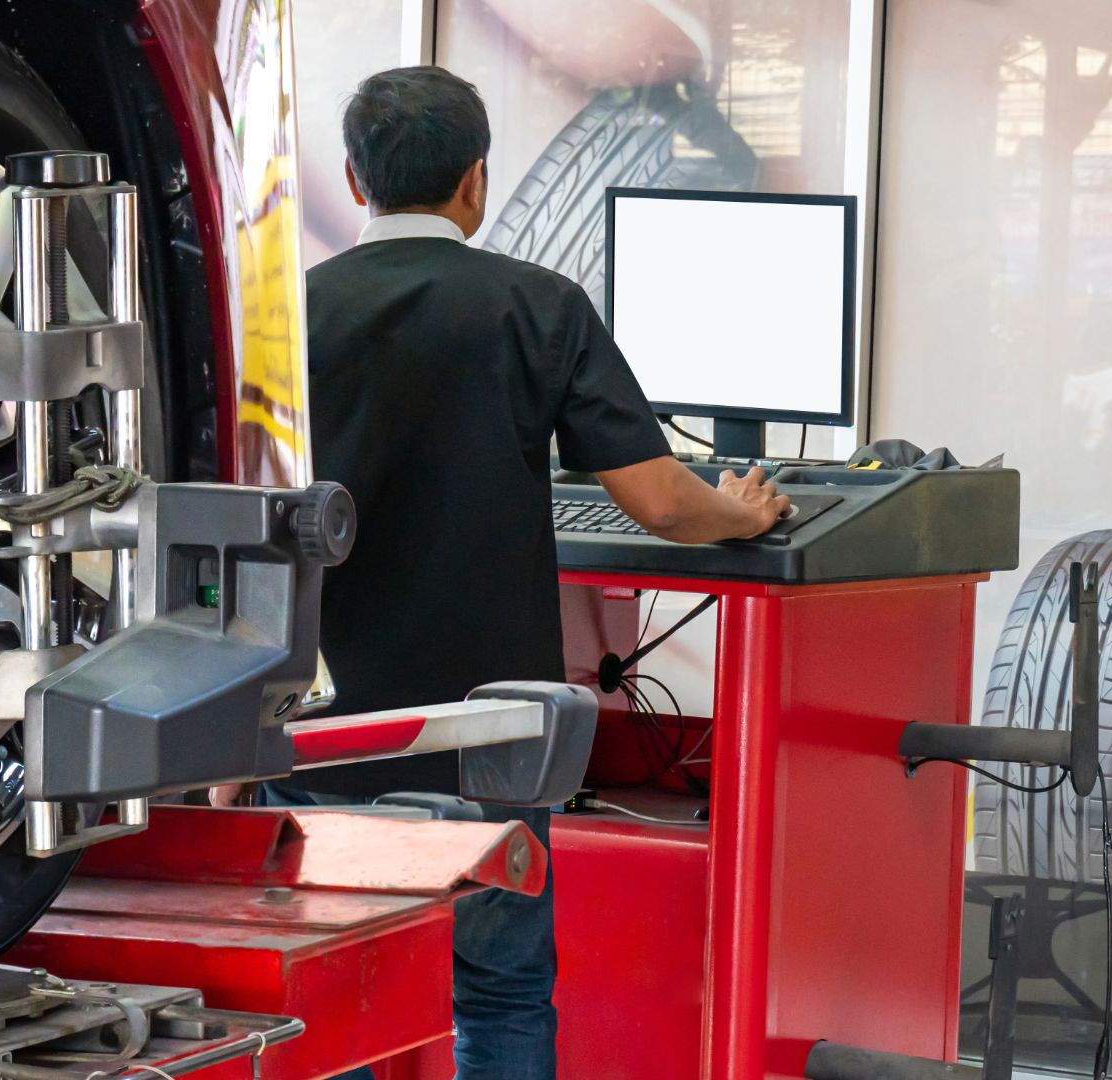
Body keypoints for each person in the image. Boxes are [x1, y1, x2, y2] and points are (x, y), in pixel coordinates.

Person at [257, 66, 787, 1079]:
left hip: (325, 741)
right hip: (488, 747)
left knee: (341, 994)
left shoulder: (287, 319)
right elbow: (663, 501)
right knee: (498, 993)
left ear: (354, 181)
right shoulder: (537, 307)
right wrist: (746, 511)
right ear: (475, 183)